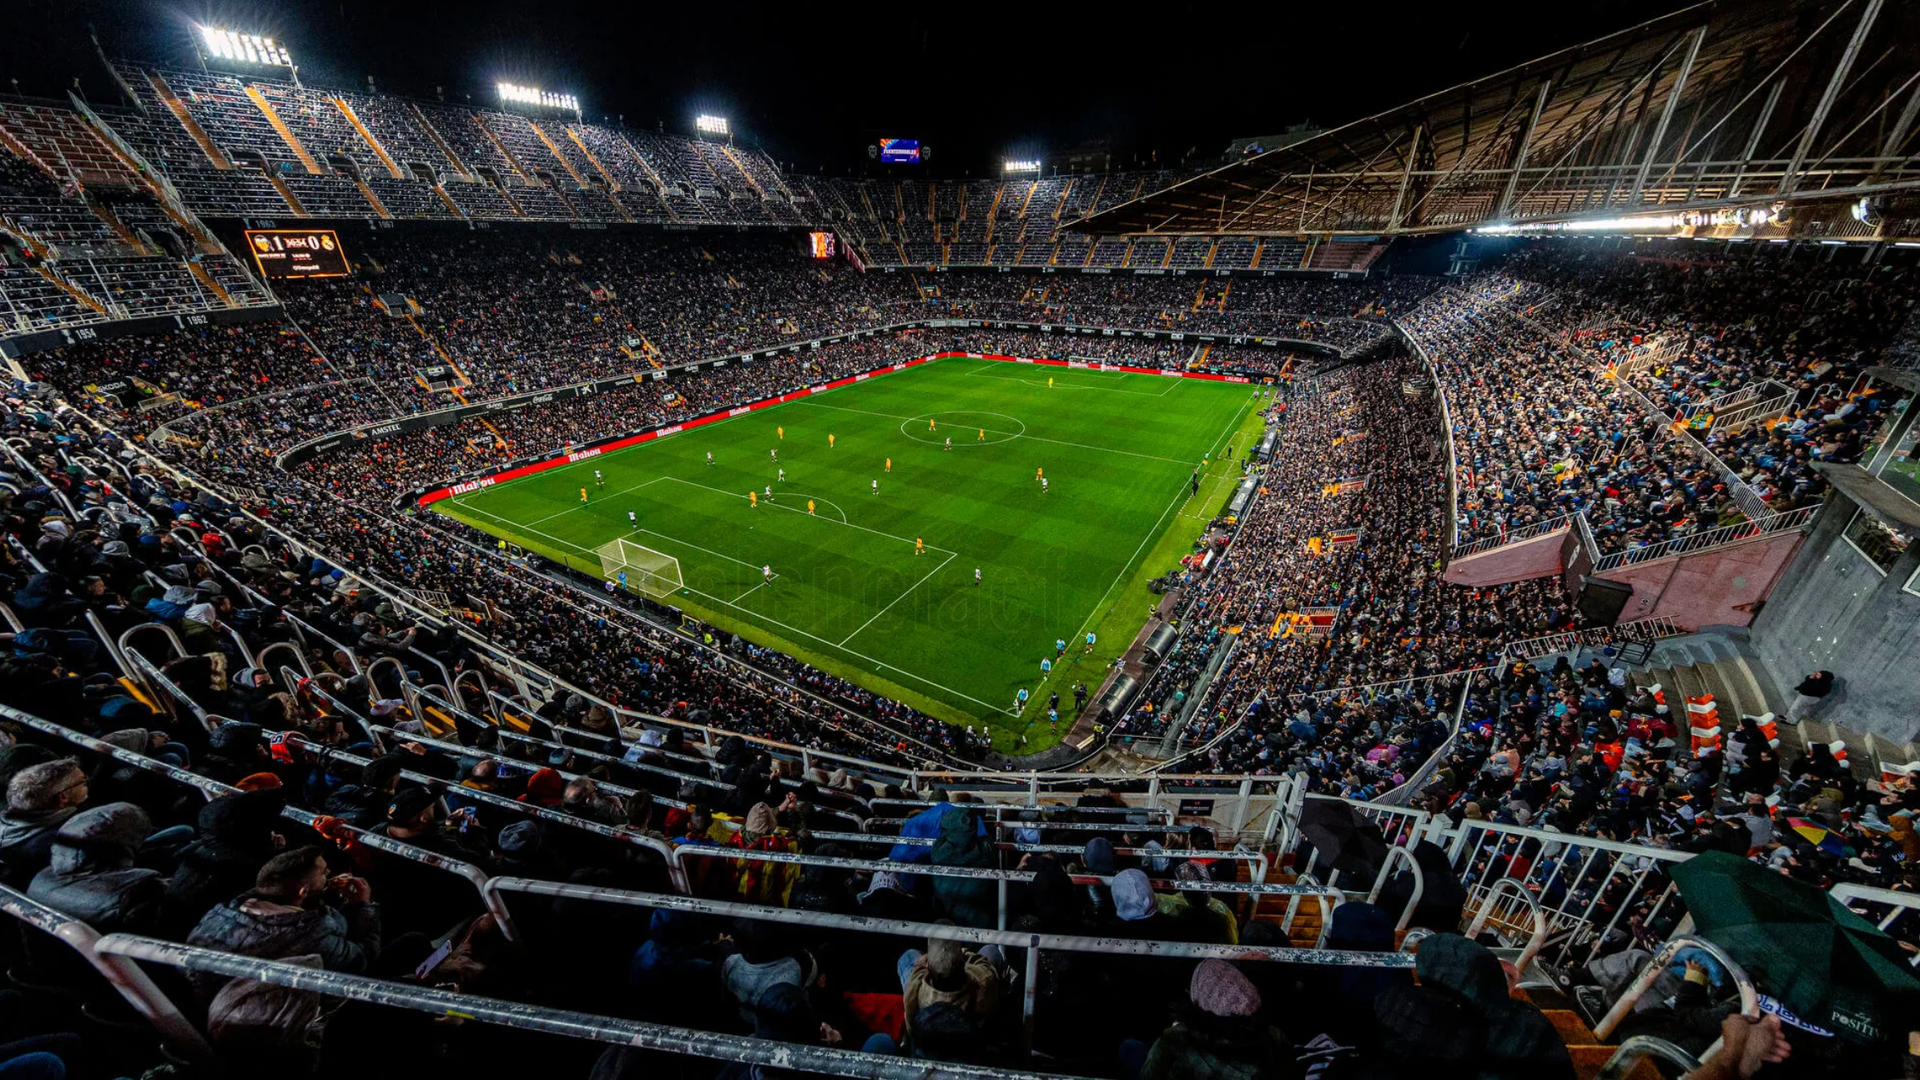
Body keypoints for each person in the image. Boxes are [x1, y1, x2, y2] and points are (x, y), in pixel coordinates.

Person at [187, 845, 381, 978]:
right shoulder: (311, 938)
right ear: (302, 892)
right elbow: (362, 959)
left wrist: (324, 893)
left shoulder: (223, 910)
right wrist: (363, 906)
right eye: (323, 873)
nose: (329, 874)